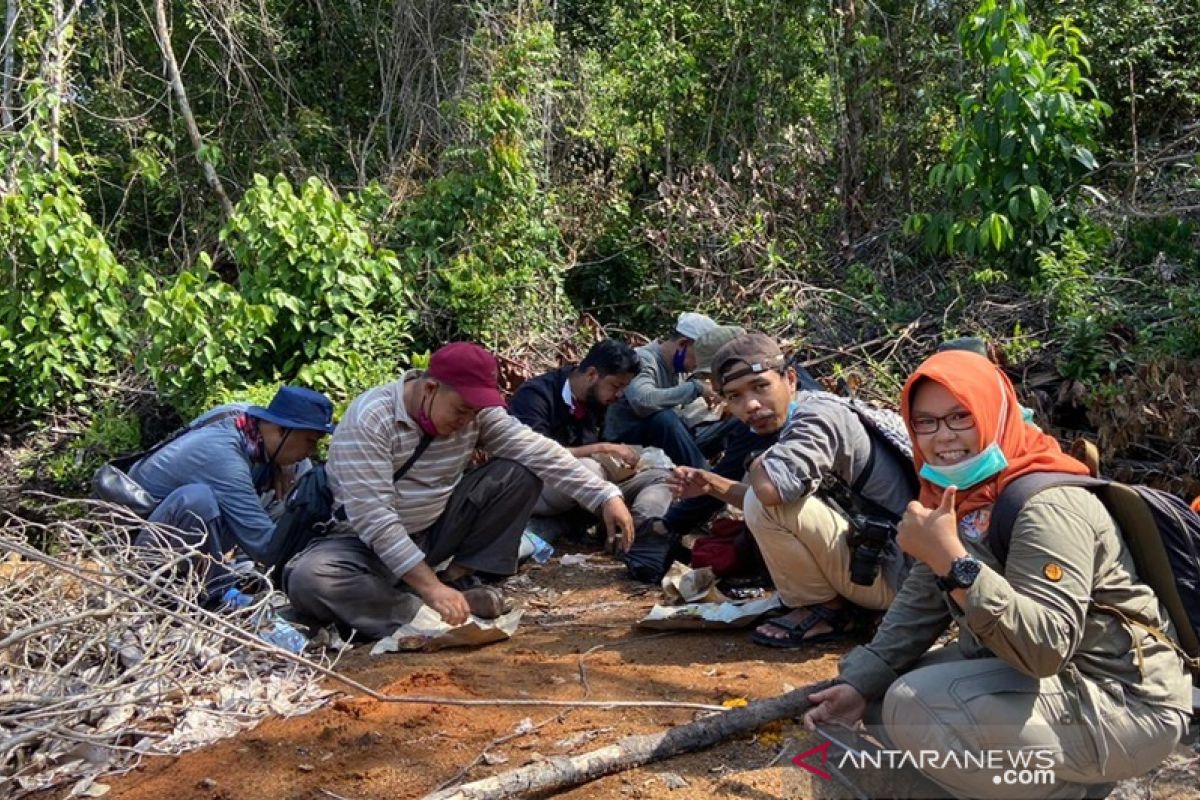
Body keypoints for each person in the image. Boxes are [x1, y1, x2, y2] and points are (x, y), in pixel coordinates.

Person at [804, 350, 1193, 799]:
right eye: (925, 422)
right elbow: (921, 602)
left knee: (919, 706)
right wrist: (861, 681)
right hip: (1064, 681)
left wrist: (952, 561)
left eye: (959, 417)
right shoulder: (962, 494)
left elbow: (1045, 648)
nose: (942, 436)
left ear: (994, 412)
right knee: (881, 695)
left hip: (1125, 702)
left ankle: (1065, 792)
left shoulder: (1047, 506)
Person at [281, 342, 635, 641]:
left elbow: (536, 450)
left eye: (475, 412)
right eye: (461, 410)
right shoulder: (371, 419)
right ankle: (424, 613)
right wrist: (430, 589)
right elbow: (375, 519)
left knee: (519, 471)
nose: (467, 421)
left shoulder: (477, 414)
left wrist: (604, 495)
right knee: (310, 579)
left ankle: (458, 579)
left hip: (434, 531)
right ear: (430, 388)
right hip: (363, 543)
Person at [671, 333, 916, 647]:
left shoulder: (815, 419)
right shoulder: (808, 410)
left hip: (899, 582)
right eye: (734, 396)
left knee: (765, 505)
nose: (751, 405)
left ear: (790, 379)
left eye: (761, 387)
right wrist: (710, 485)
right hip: (890, 565)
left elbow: (770, 495)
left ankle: (825, 610)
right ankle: (843, 604)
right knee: (767, 499)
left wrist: (755, 462)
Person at [129, 386, 336, 605]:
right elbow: (267, 547)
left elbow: (292, 461)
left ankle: (234, 571)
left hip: (186, 532)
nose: (312, 451)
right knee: (198, 500)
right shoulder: (224, 460)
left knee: (300, 469)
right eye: (310, 441)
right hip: (145, 548)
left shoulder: (246, 421)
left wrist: (285, 466)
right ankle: (210, 594)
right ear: (281, 430)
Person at [509, 339, 672, 541]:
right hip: (539, 485)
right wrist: (602, 448)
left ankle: (638, 533)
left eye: (624, 387)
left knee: (662, 476)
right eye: (616, 386)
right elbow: (535, 455)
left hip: (592, 488)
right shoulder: (535, 395)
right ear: (592, 374)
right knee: (588, 468)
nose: (619, 394)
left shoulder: (598, 400)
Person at [603, 311, 718, 469]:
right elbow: (644, 401)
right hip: (630, 443)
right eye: (700, 356)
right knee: (664, 417)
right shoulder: (643, 359)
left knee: (734, 422)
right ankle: (708, 483)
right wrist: (696, 388)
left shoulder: (679, 370)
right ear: (683, 344)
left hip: (666, 443)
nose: (698, 365)